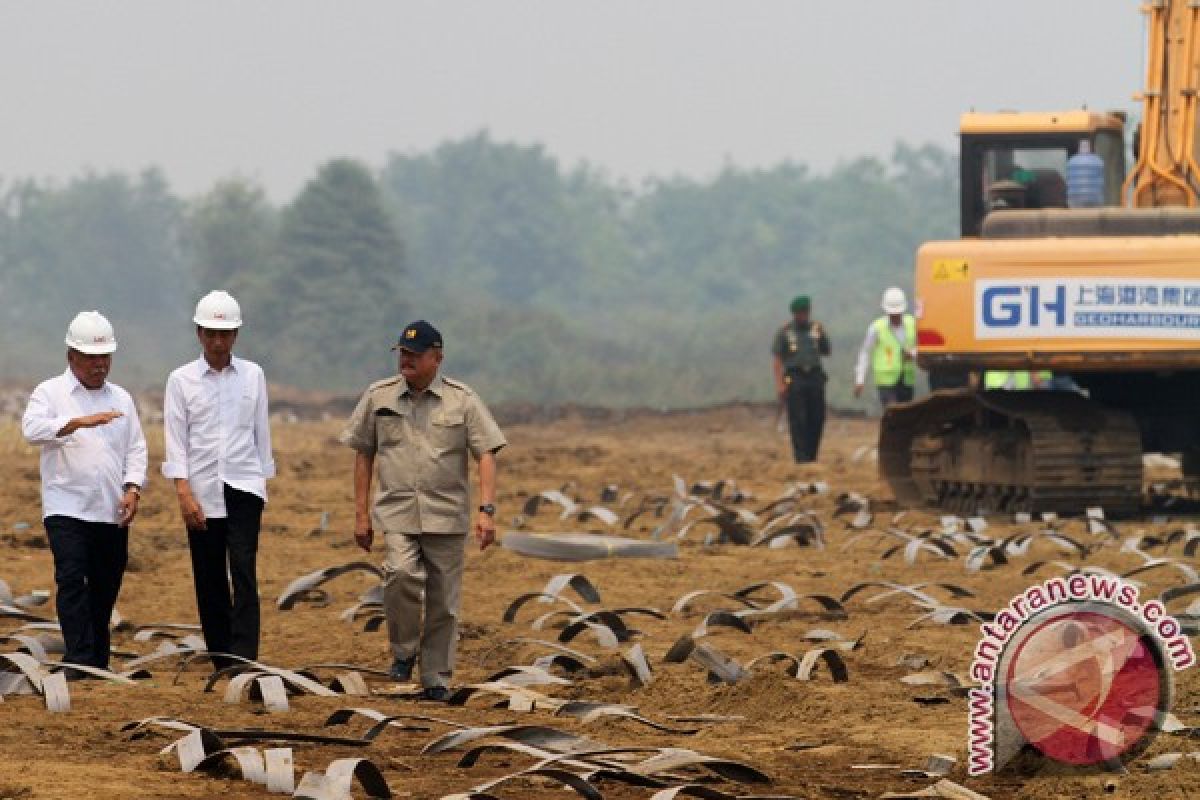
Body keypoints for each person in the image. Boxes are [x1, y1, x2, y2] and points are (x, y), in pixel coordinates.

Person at [340, 320, 506, 701]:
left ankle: (436, 678)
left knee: (444, 601)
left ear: (437, 358)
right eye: (402, 353)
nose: (406, 360)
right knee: (399, 574)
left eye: (415, 355)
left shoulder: (462, 400)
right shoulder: (378, 397)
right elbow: (363, 453)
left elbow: (486, 454)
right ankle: (403, 653)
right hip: (397, 512)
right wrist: (361, 515)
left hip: (446, 515)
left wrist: (487, 511)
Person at [22, 311, 147, 678]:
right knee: (72, 578)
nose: (99, 365)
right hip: (66, 507)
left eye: (104, 357)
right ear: (71, 357)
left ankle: (98, 658)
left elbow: (136, 449)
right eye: (91, 358)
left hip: (111, 510)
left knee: (106, 584)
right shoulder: (50, 393)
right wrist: (75, 422)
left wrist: (133, 488)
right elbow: (31, 430)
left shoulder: (121, 399)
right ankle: (77, 657)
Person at [162, 290, 274, 668]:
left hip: (244, 485)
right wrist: (183, 491)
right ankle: (222, 657)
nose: (217, 341)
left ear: (236, 335)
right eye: (210, 333)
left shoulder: (253, 375)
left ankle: (244, 657)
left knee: (243, 570)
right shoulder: (181, 380)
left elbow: (261, 433)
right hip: (201, 489)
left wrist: (262, 482)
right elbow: (176, 440)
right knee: (209, 575)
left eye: (225, 333)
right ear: (198, 333)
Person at [771, 296, 831, 463]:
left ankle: (813, 456)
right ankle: (801, 459)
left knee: (817, 417)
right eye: (800, 313)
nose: (804, 315)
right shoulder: (785, 332)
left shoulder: (816, 329)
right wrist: (780, 384)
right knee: (798, 420)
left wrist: (821, 335)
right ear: (795, 314)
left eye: (806, 312)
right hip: (795, 377)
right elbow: (777, 360)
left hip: (814, 377)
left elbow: (826, 351)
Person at [854, 287, 917, 408]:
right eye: (892, 313)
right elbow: (865, 352)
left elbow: (924, 346)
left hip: (907, 380)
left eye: (897, 313)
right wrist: (860, 379)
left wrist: (913, 353)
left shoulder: (912, 324)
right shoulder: (876, 328)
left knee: (907, 417)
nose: (894, 316)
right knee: (893, 413)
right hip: (885, 381)